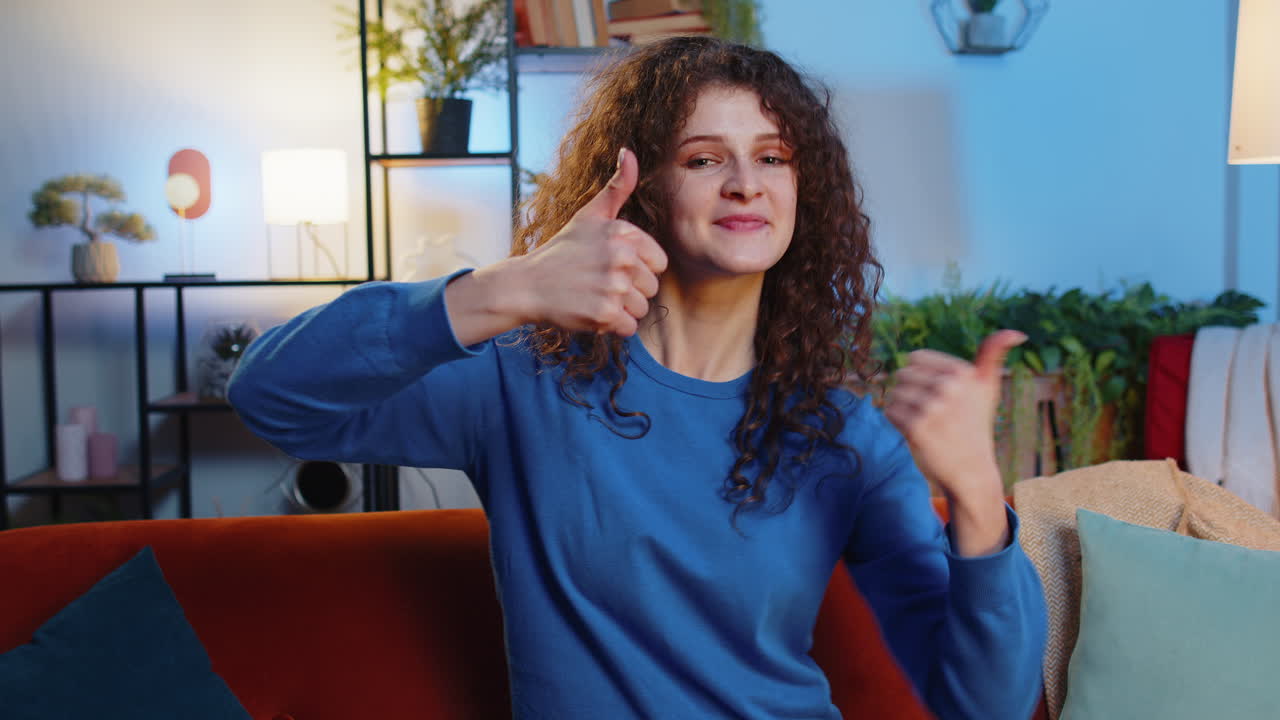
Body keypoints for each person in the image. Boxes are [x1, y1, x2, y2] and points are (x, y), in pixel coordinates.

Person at [228, 36, 1047, 720]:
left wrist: (977, 495)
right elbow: (269, 394)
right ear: (645, 185)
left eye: (772, 156)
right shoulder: (522, 382)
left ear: (806, 191)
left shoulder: (843, 436)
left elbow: (987, 706)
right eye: (703, 157)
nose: (746, 183)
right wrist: (505, 287)